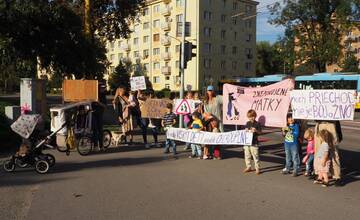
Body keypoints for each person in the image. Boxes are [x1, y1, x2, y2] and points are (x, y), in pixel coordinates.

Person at [314, 120, 343, 186]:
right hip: (320, 123)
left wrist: (338, 131)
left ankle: (336, 176)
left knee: (333, 152)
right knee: (319, 151)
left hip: (331, 123)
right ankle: (320, 174)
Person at [243, 109, 262, 175]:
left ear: (255, 116)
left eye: (253, 116)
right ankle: (248, 167)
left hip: (254, 142)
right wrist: (245, 130)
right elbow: (245, 132)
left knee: (255, 156)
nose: (252, 117)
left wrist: (256, 130)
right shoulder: (247, 123)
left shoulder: (257, 123)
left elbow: (260, 132)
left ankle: (257, 168)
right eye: (250, 116)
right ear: (248, 117)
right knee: (247, 155)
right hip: (247, 142)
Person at [92, 82, 107, 151]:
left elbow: (105, 106)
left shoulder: (103, 96)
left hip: (100, 114)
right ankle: (95, 146)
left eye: (104, 88)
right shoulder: (94, 95)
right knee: (95, 130)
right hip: (93, 114)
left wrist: (99, 102)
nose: (103, 89)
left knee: (100, 130)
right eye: (102, 88)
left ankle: (101, 146)